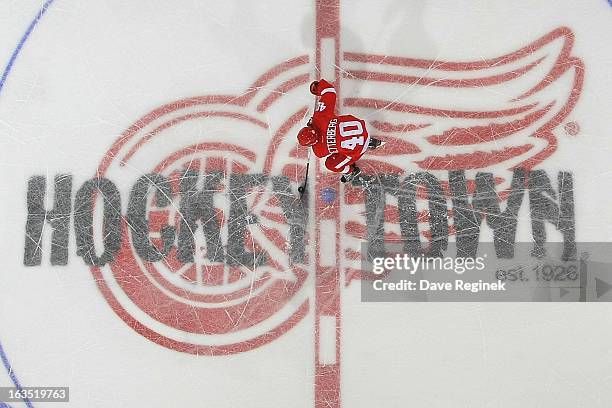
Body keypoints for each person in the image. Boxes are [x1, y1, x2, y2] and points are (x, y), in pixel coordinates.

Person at [297, 79, 382, 183]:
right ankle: (365, 140)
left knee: (331, 164)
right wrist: (318, 87)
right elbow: (329, 91)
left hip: (358, 147)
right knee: (340, 132)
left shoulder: (319, 150)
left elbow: (325, 145)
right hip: (359, 126)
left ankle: (351, 171)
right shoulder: (319, 117)